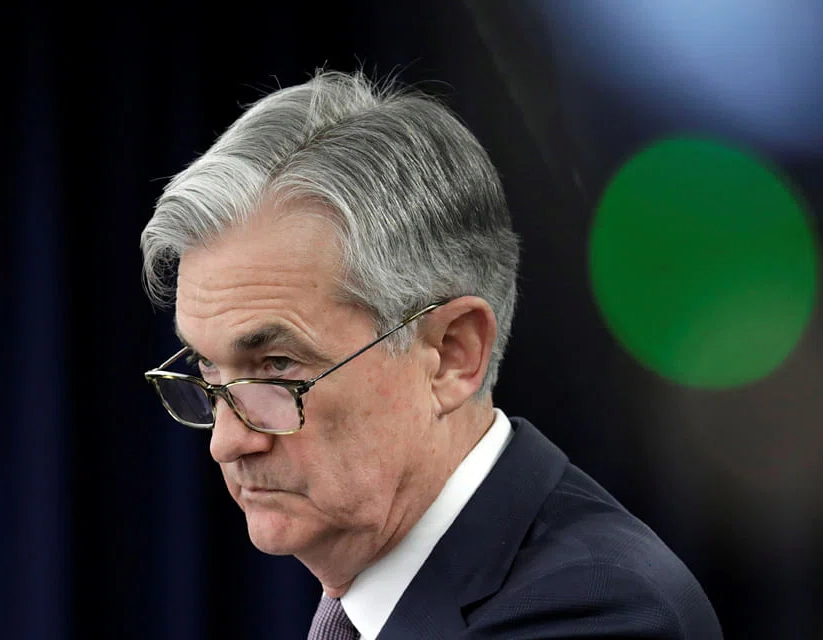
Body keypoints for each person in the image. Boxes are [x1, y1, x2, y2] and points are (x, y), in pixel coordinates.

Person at [140, 67, 723, 640]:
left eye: (277, 367)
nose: (226, 443)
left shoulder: (596, 611)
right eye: (208, 368)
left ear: (451, 354)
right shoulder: (385, 593)